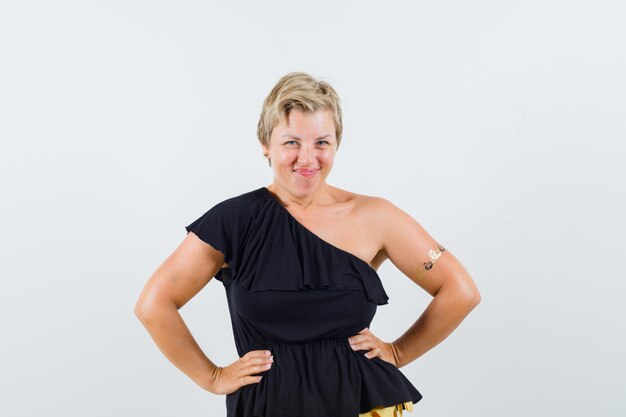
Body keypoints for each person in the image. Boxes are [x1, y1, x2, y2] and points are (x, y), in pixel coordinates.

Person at [134, 72, 481, 417]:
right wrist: (212, 377)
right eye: (291, 142)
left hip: (363, 404)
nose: (307, 157)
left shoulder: (376, 217)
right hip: (268, 406)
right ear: (265, 144)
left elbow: (460, 290)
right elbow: (154, 304)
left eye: (321, 142)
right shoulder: (234, 220)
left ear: (336, 144)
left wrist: (399, 353)